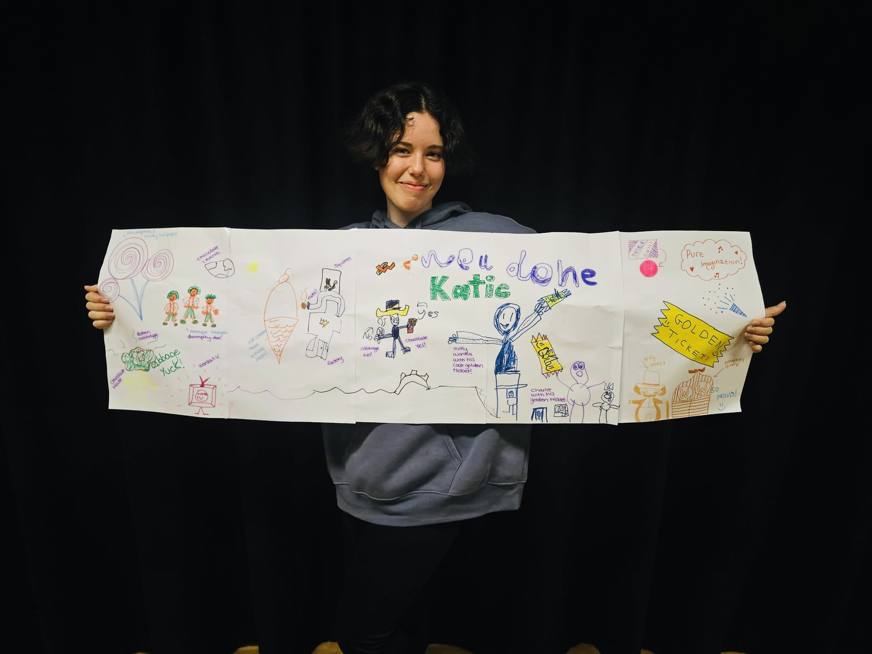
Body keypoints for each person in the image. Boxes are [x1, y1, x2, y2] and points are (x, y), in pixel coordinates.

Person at [84, 82, 788, 654]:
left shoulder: (498, 240)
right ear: (376, 155)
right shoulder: (336, 251)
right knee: (400, 626)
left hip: (448, 483)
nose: (417, 169)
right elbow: (237, 321)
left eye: (433, 153)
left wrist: (725, 332)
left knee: (363, 632)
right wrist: (126, 318)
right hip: (362, 479)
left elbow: (612, 302)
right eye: (401, 150)